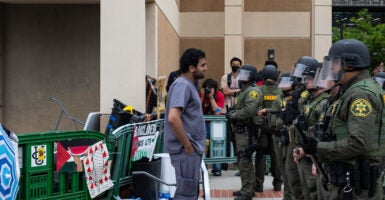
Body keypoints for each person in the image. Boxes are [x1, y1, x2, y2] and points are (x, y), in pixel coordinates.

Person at [301, 39, 384, 199]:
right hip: (349, 179)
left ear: (349, 65)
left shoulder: (360, 94)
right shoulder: (352, 90)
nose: (331, 68)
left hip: (356, 184)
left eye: (335, 63)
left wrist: (318, 148)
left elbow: (359, 143)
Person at [164, 48, 207, 199]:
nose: (205, 68)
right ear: (191, 68)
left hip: (188, 152)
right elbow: (173, 118)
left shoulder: (188, 85)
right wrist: (188, 145)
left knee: (190, 193)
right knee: (186, 195)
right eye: (202, 65)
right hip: (185, 152)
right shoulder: (182, 85)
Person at [292, 59, 326, 200]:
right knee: (305, 191)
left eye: (310, 78)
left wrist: (315, 160)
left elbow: (321, 133)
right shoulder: (311, 100)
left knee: (314, 193)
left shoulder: (324, 101)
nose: (306, 81)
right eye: (305, 78)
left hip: (314, 156)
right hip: (304, 152)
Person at [228, 64, 263, 200]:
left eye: (244, 74)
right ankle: (247, 187)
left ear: (251, 77)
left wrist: (234, 115)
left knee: (244, 159)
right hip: (241, 130)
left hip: (248, 130)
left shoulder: (253, 91)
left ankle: (247, 192)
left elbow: (249, 110)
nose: (241, 77)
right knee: (243, 160)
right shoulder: (244, 90)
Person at [255, 64, 282, 193]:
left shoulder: (259, 90)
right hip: (275, 127)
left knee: (260, 156)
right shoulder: (280, 91)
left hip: (262, 127)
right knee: (275, 155)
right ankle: (277, 184)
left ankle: (259, 185)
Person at [200, 78, 225, 176]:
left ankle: (217, 168)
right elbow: (196, 109)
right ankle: (204, 168)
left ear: (215, 89)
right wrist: (202, 98)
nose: (208, 90)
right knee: (203, 145)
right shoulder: (200, 95)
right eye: (207, 88)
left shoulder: (219, 95)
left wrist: (211, 98)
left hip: (216, 123)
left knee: (217, 144)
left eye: (211, 88)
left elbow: (217, 111)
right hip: (203, 123)